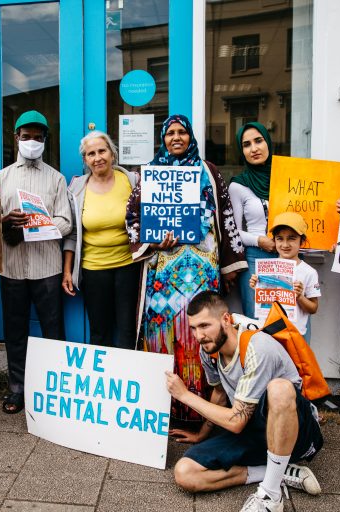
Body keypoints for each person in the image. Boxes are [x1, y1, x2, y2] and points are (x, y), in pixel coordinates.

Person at [126, 114, 247, 422]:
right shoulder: (151, 173)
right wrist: (152, 243)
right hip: (163, 273)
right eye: (170, 133)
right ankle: (162, 409)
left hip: (202, 269)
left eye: (181, 132)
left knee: (201, 333)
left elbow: (227, 216)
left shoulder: (208, 171)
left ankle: (202, 413)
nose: (176, 138)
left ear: (190, 136)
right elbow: (132, 219)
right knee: (162, 335)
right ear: (163, 139)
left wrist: (230, 265)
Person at [166, 291, 323, 512]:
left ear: (226, 320)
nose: (199, 335)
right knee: (185, 473)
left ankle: (270, 496)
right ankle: (276, 472)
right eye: (193, 328)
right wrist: (202, 433)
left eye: (204, 326)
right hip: (253, 429)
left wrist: (184, 395)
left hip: (297, 434)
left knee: (279, 389)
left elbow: (235, 422)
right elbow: (220, 392)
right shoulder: (209, 348)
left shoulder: (257, 347)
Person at [0, 110, 72, 414]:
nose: (32, 142)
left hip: (47, 268)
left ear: (45, 140)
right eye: (27, 136)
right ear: (17, 138)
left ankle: (59, 389)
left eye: (39, 137)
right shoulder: (2, 177)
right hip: (12, 267)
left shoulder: (56, 178)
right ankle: (17, 389)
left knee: (54, 330)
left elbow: (66, 222)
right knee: (15, 330)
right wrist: (5, 222)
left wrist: (39, 226)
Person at [62, 130, 140, 349]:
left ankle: (127, 377)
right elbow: (72, 233)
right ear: (85, 160)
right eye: (91, 154)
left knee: (127, 329)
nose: (98, 157)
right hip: (93, 269)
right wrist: (67, 271)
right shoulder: (77, 189)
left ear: (112, 154)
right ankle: (105, 381)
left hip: (128, 266)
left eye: (102, 151)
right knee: (99, 331)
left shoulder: (131, 180)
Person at [229, 122, 277, 319]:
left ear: (268, 143)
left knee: (293, 323)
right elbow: (233, 231)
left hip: (290, 258)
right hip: (256, 259)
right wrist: (260, 241)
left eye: (259, 141)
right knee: (259, 322)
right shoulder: (239, 185)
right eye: (246, 144)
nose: (254, 148)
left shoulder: (288, 179)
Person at [248, 212, 320, 339]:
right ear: (274, 240)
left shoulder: (309, 272)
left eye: (292, 238)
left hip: (294, 336)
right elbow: (264, 305)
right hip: (268, 332)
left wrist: (299, 297)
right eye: (280, 238)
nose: (285, 244)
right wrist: (258, 288)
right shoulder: (266, 269)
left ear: (302, 241)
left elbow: (313, 308)